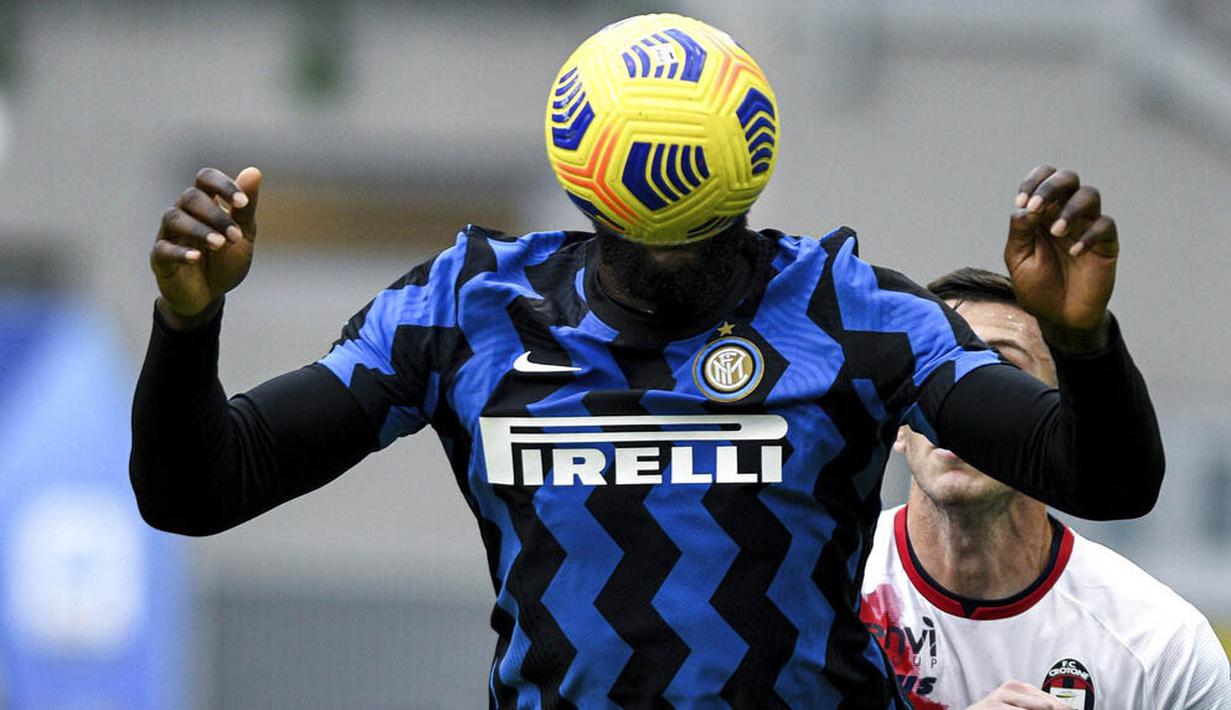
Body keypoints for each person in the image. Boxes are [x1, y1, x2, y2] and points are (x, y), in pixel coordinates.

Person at [130, 13, 1164, 709]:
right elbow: (199, 485)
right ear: (588, 193)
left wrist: (1078, 337)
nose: (674, 262)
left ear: (746, 186)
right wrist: (187, 325)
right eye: (646, 238)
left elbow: (1102, 475)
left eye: (703, 239)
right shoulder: (466, 307)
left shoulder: (848, 309)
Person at [860, 268, 1231, 709]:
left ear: (1056, 425)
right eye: (935, 379)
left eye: (1000, 375)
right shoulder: (815, 595)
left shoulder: (1162, 646)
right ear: (897, 425)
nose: (959, 412)